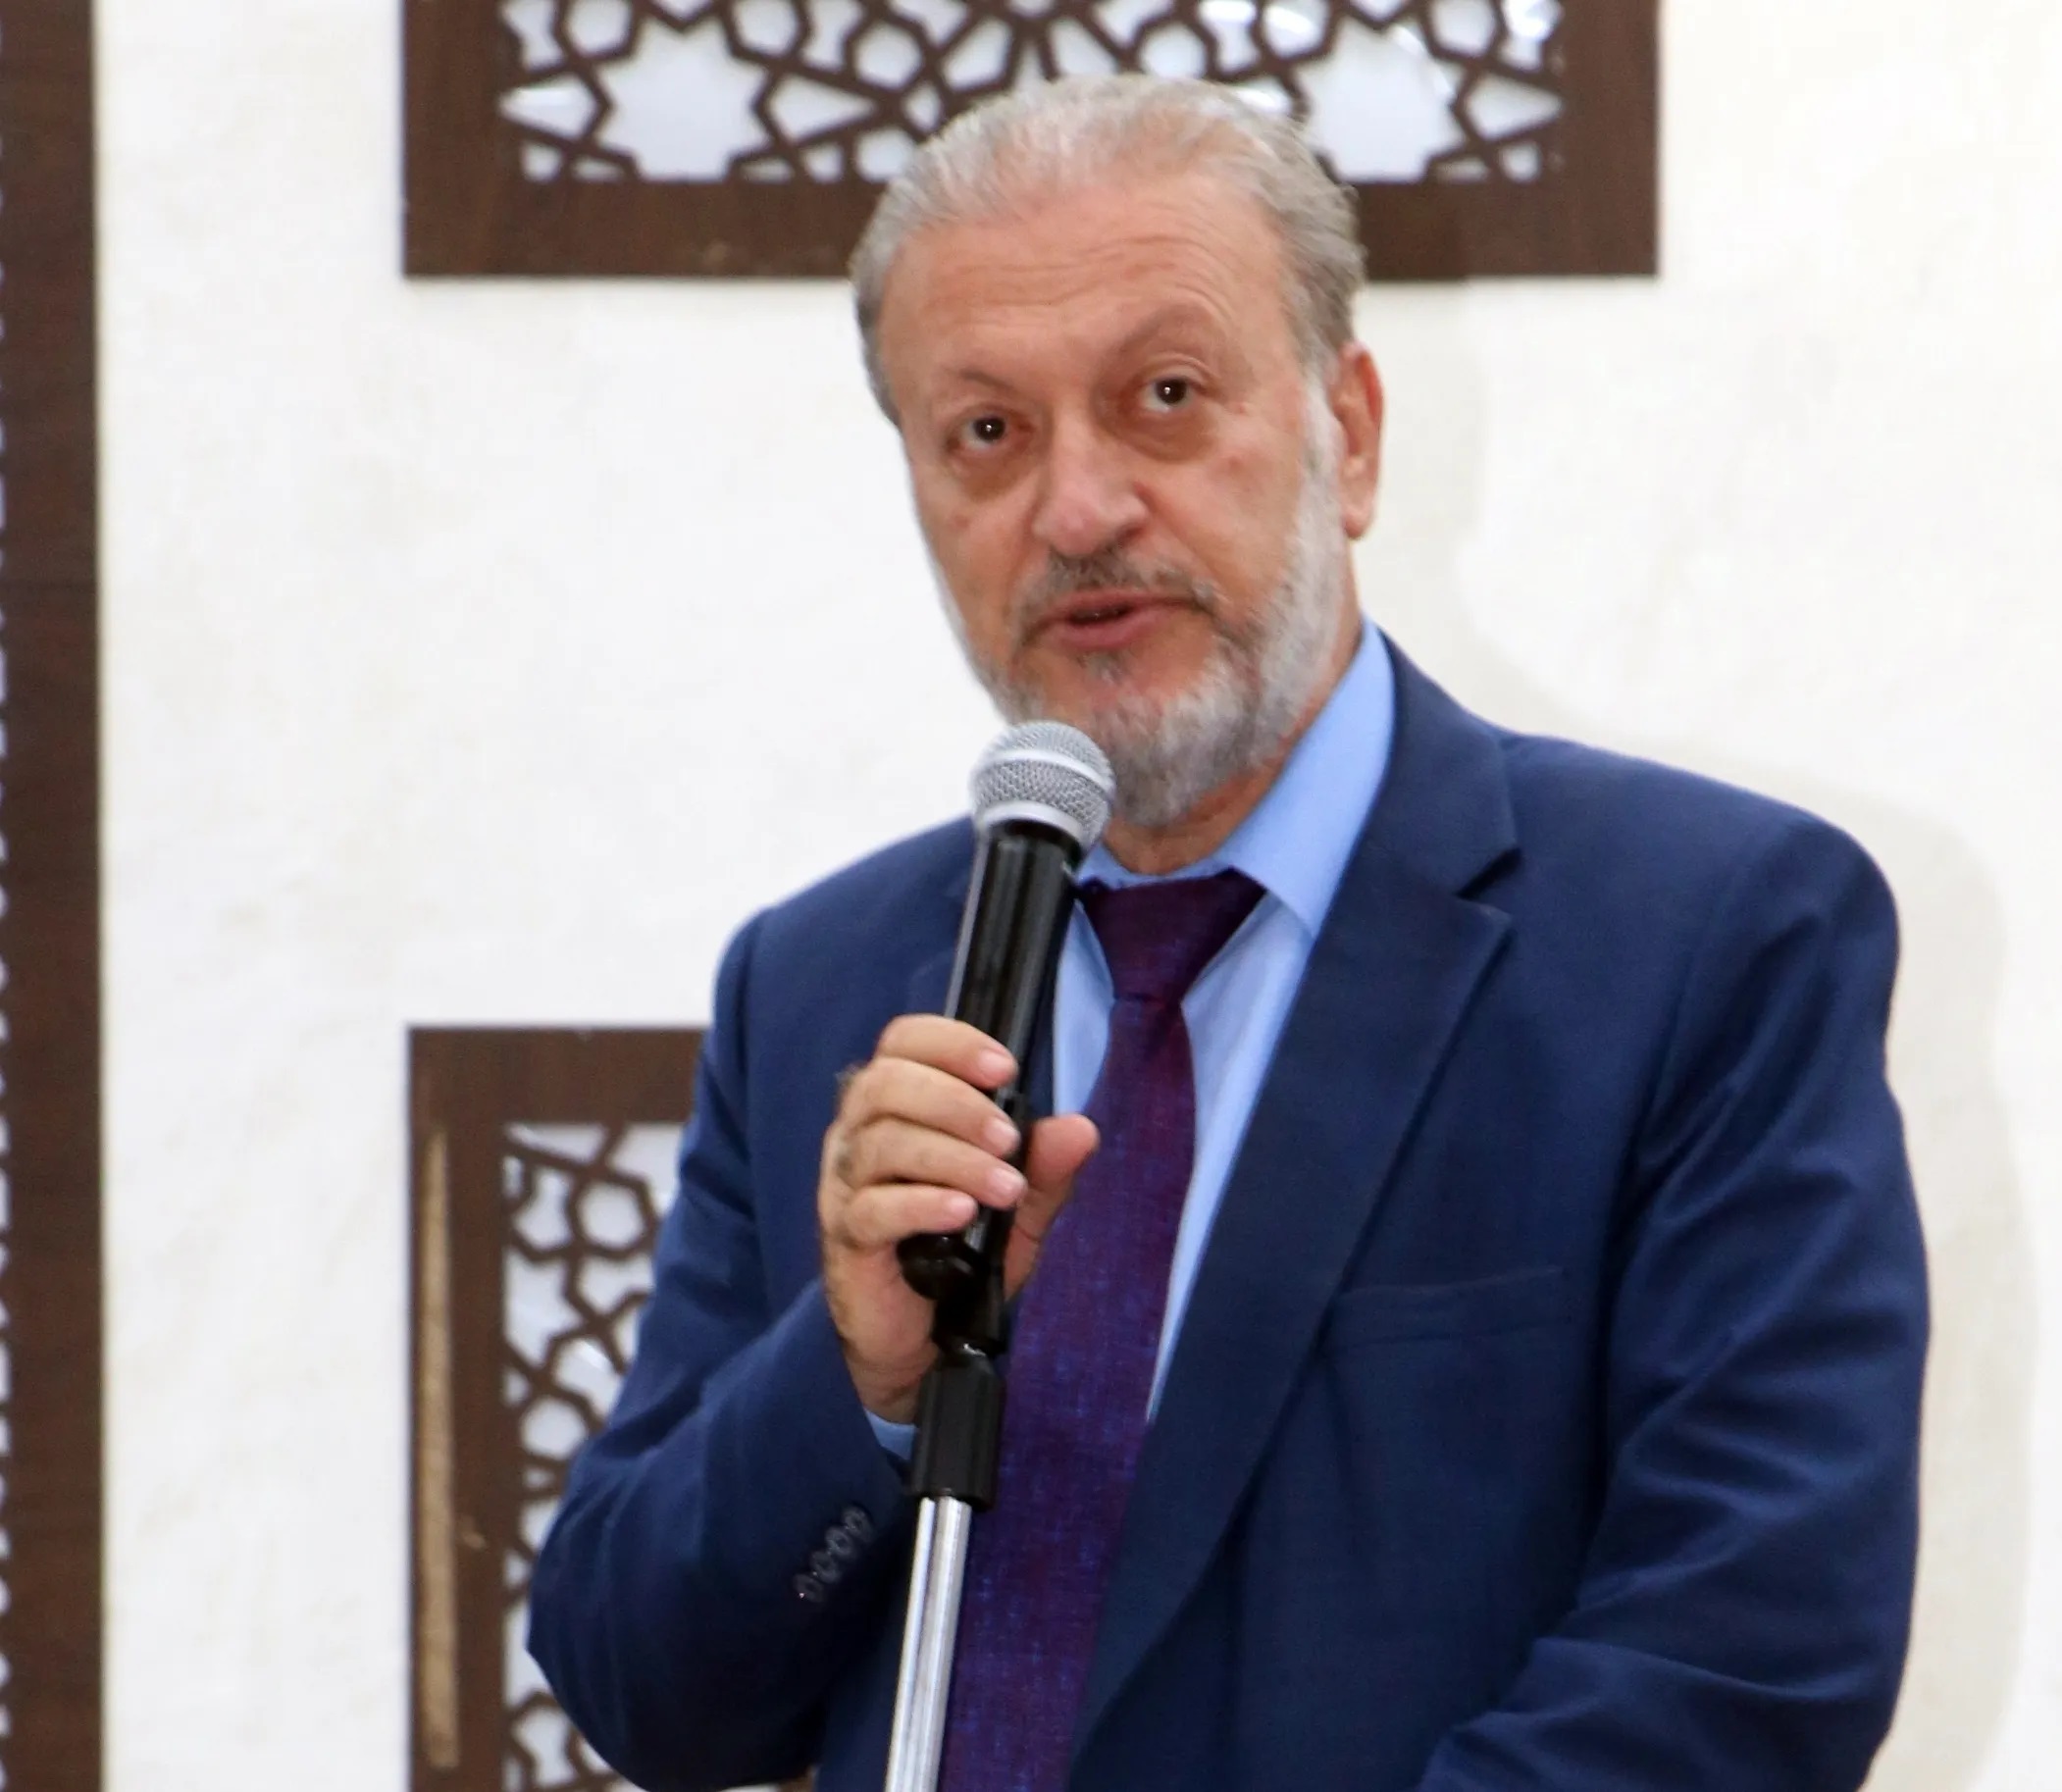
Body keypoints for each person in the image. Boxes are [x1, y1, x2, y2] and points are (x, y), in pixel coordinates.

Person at [528, 75, 1929, 1792]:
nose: (1078, 509)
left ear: (1353, 434)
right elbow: (643, 1689)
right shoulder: (819, 983)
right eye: (988, 432)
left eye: (1167, 397)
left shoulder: (1704, 942)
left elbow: (1745, 1662)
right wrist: (856, 1379)